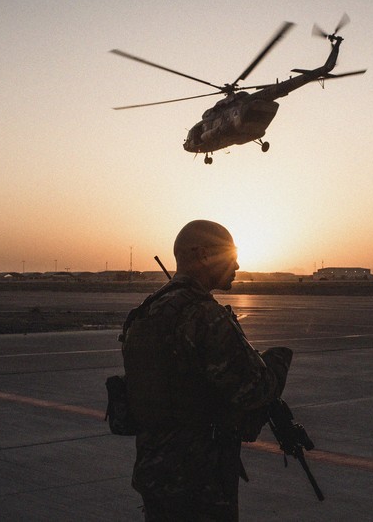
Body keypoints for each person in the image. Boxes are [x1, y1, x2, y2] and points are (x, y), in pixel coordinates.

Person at [120, 220, 293, 521]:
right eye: (230, 255)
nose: (237, 264)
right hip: (199, 480)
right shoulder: (202, 314)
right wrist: (277, 361)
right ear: (202, 255)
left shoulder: (147, 312)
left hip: (156, 473)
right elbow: (254, 389)